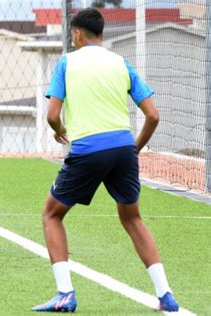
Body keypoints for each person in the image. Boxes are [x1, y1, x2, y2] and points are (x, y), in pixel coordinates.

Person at [31, 8, 179, 313]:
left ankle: (65, 293)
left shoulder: (68, 61)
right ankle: (165, 295)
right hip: (123, 148)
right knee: (132, 218)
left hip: (88, 149)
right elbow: (153, 115)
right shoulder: (121, 63)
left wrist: (60, 131)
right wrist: (134, 148)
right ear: (102, 34)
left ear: (77, 33)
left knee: (51, 214)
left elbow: (52, 116)